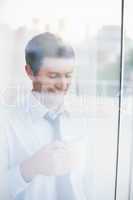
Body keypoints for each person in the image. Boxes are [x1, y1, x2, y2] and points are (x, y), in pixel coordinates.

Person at [0, 32, 91, 200]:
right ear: (29, 72)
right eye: (53, 76)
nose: (63, 84)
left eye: (68, 75)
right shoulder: (6, 123)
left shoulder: (82, 119)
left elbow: (87, 183)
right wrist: (29, 168)